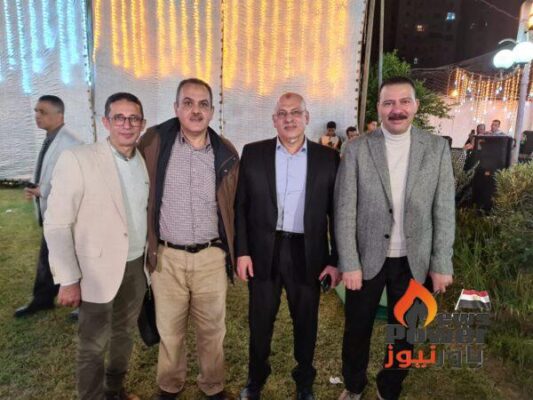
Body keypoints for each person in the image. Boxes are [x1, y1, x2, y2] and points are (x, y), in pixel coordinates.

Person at [335, 76, 455, 400]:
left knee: (405, 333)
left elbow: (444, 210)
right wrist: (349, 262)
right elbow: (344, 209)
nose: (396, 109)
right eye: (388, 103)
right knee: (357, 329)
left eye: (404, 102)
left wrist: (441, 263)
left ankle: (389, 387)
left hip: (415, 261)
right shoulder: (357, 148)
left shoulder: (437, 149)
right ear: (379, 108)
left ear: (416, 106)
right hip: (366, 260)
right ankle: (354, 386)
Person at [235, 92, 341, 400]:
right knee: (260, 322)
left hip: (307, 253)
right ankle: (256, 378)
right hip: (263, 252)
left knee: (306, 322)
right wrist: (242, 251)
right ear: (274, 120)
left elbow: (337, 213)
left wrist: (335, 260)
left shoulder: (328, 158)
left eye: (296, 112)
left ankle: (304, 381)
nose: (289, 118)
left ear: (306, 118)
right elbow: (240, 207)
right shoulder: (253, 153)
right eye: (282, 113)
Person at [138, 78, 238, 400]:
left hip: (211, 257)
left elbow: (235, 205)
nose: (196, 110)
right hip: (167, 257)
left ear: (212, 111)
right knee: (170, 330)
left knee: (213, 330)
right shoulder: (153, 143)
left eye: (203, 104)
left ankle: (213, 385)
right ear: (176, 108)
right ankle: (170, 384)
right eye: (188, 103)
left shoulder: (225, 151)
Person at [44, 92, 148, 400]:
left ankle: (114, 390)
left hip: (136, 265)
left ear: (142, 123)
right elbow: (57, 223)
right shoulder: (79, 159)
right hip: (95, 271)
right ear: (105, 121)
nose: (127, 125)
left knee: (124, 335)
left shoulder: (143, 160)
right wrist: (68, 279)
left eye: (133, 118)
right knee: (93, 344)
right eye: (119, 118)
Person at [14, 95, 82, 318]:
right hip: (51, 213)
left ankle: (83, 304)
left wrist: (42, 191)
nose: (37, 116)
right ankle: (42, 299)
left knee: (74, 257)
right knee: (47, 257)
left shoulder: (72, 143)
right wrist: (36, 187)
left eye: (42, 112)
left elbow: (74, 181)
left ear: (59, 115)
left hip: (66, 215)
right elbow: (49, 172)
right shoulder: (50, 139)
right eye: (36, 111)